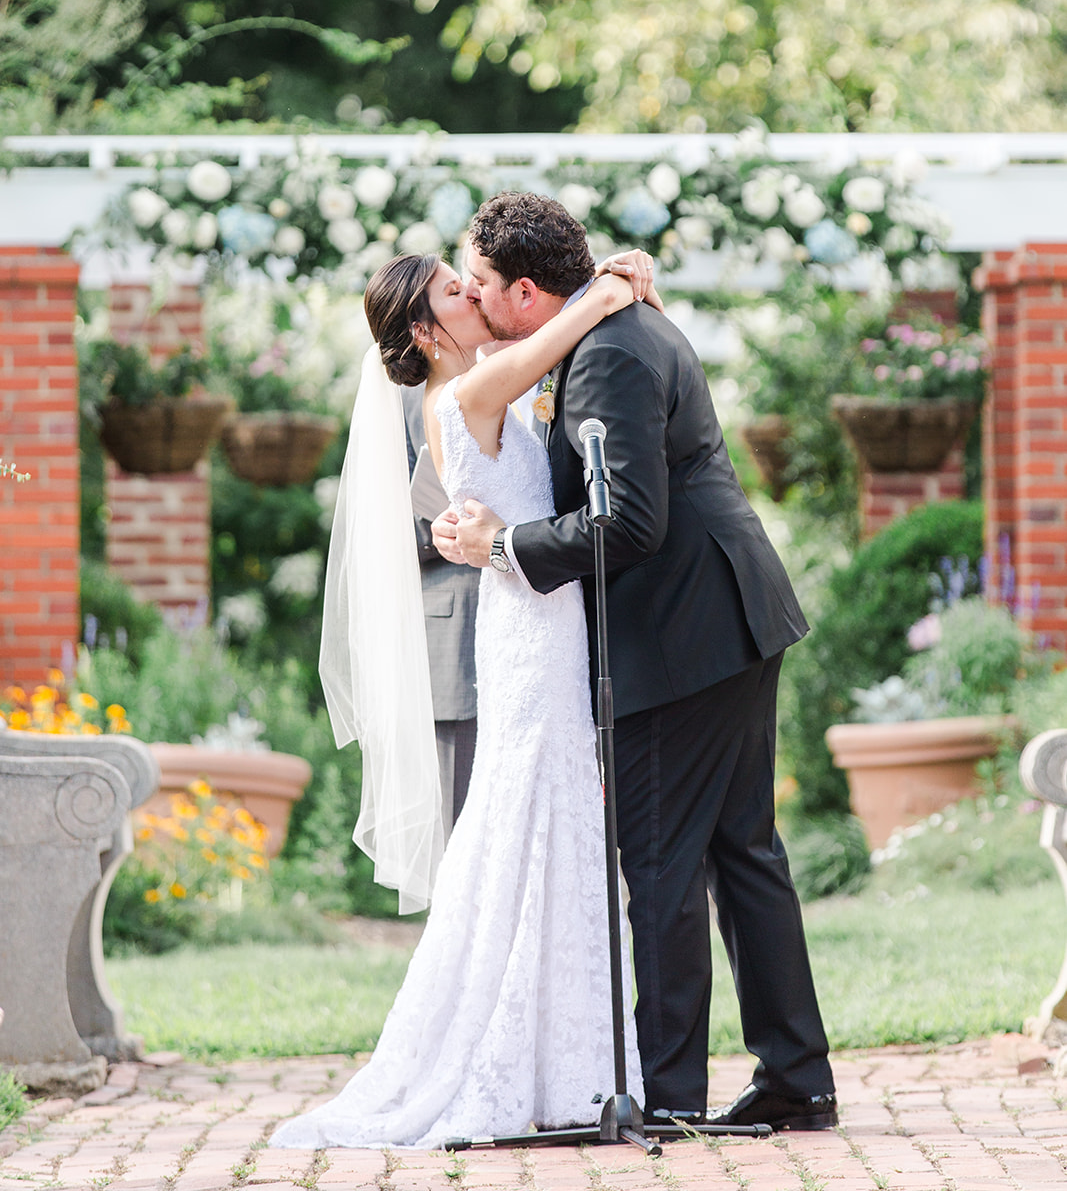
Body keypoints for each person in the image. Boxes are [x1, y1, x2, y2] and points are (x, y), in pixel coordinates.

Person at [433, 191, 837, 1134]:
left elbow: (628, 523)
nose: (477, 300)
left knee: (660, 861)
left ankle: (668, 1095)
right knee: (743, 853)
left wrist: (505, 544)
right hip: (730, 615)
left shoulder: (607, 353)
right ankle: (797, 1078)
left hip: (683, 634)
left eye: (483, 285)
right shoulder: (615, 325)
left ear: (526, 293)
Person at [271, 246, 657, 1151]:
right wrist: (604, 283)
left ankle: (567, 1064)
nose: (475, 293)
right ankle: (504, 1052)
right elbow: (562, 329)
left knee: (556, 824)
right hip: (526, 636)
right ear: (424, 330)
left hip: (540, 623)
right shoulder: (460, 398)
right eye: (456, 289)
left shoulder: (484, 385)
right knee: (524, 823)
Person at [400, 384, 478, 836]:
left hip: (546, 626)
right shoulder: (407, 394)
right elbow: (379, 521)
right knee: (460, 832)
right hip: (457, 637)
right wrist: (445, 527)